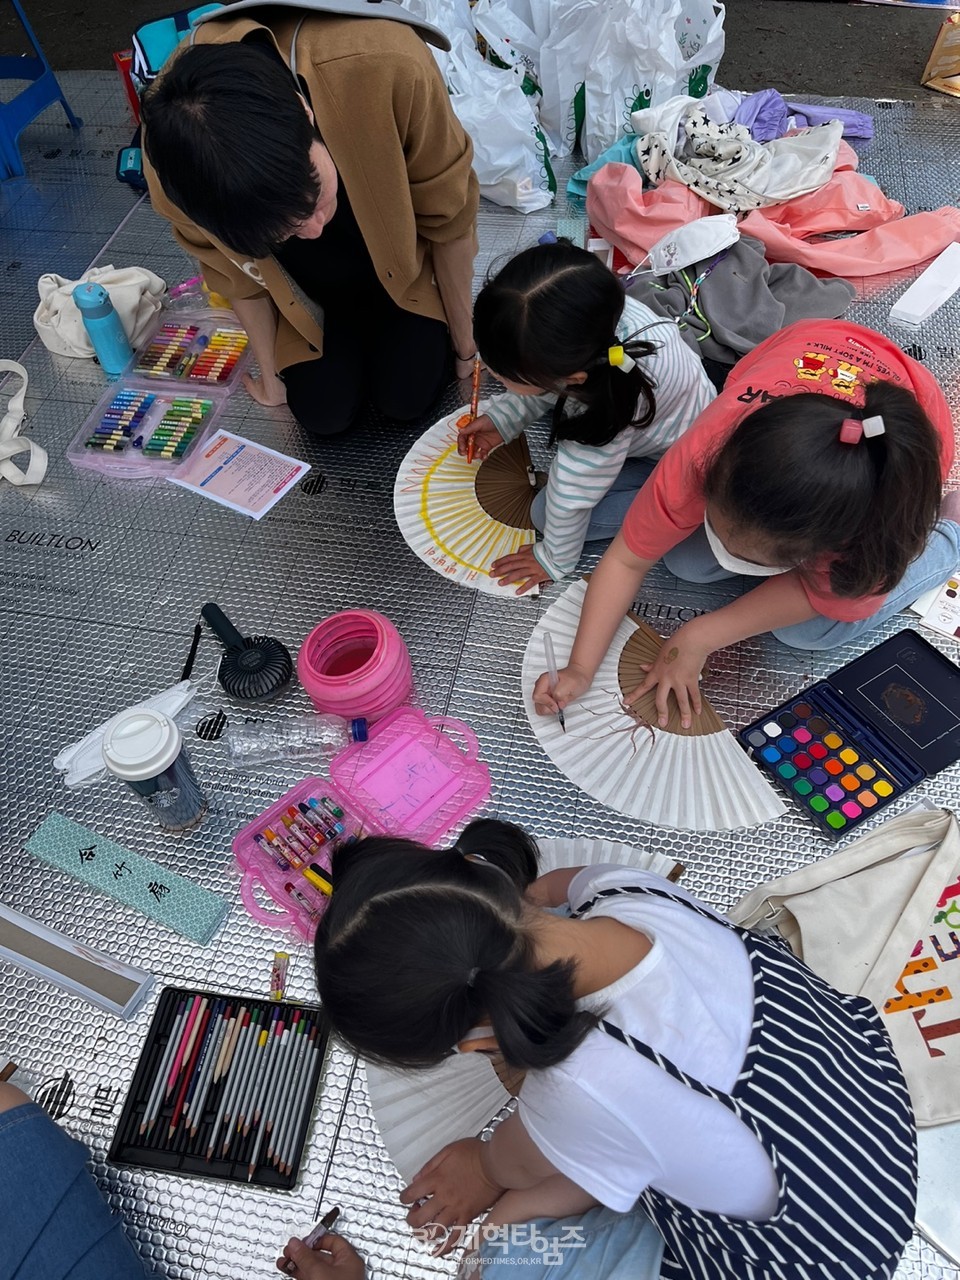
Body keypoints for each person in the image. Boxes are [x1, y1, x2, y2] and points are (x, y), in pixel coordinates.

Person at [313, 819, 918, 1280]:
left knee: (498, 1253)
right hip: (865, 1109)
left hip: (810, 1258)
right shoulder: (621, 890)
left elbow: (511, 1166)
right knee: (609, 1149)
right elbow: (550, 889)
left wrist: (482, 1168)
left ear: (476, 1041)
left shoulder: (577, 1087)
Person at [532, 318, 960, 728]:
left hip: (901, 436)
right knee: (686, 563)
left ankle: (951, 533)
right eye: (719, 530)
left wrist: (702, 634)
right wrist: (580, 669)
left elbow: (837, 593)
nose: (729, 555)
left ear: (815, 553)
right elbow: (626, 561)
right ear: (714, 477)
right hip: (810, 345)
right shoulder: (706, 450)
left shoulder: (882, 517)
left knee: (810, 634)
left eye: (746, 556)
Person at [140, 4, 479, 438]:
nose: (314, 230)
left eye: (314, 199)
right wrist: (269, 375)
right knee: (322, 415)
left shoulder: (388, 66)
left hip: (405, 274)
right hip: (306, 300)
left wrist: (467, 349)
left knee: (407, 400)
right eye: (286, 232)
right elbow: (232, 273)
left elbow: (451, 221)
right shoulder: (173, 161)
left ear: (304, 111)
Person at [457, 241, 715, 595]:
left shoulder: (603, 414)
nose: (486, 372)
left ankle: (687, 508)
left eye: (501, 376)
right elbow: (549, 383)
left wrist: (554, 559)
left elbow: (570, 498)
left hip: (688, 462)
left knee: (545, 514)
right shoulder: (598, 322)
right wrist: (505, 420)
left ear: (572, 380)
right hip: (684, 418)